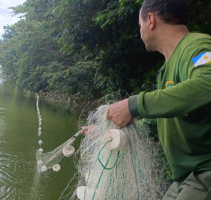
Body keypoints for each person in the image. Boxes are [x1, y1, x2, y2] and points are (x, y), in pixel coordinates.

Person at [83, 0, 211, 199]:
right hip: (184, 178)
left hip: (205, 172)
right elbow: (152, 125)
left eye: (139, 24)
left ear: (150, 20)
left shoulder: (196, 46)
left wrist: (133, 105)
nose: (140, 30)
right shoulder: (165, 72)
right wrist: (105, 133)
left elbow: (207, 85)